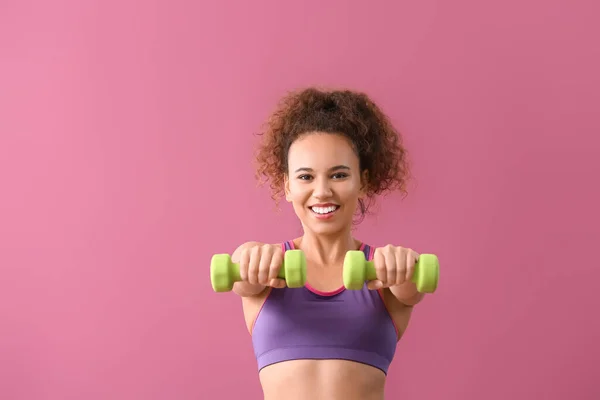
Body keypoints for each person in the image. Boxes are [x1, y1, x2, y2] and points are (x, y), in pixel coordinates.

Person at [231, 87, 427, 400]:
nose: (322, 192)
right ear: (287, 186)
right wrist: (249, 255)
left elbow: (411, 287)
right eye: (306, 177)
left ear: (362, 181)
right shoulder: (265, 268)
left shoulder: (387, 275)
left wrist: (404, 264)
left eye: (338, 175)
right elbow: (243, 276)